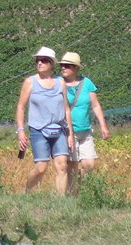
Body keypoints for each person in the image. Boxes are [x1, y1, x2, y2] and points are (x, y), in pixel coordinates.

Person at [15, 46, 74, 195]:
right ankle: (27, 191)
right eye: (38, 60)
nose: (40, 63)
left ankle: (61, 202)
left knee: (62, 166)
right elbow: (21, 107)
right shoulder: (30, 82)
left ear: (51, 64)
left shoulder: (60, 83)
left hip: (59, 129)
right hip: (38, 130)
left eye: (44, 60)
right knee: (41, 168)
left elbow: (66, 109)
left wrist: (70, 135)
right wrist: (21, 131)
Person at [59, 51, 109, 196]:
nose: (63, 68)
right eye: (62, 65)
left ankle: (75, 189)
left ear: (75, 68)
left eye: (67, 65)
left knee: (89, 164)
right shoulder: (59, 83)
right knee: (72, 165)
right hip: (68, 131)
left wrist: (103, 126)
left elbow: (95, 105)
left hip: (85, 130)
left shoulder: (87, 83)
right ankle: (73, 195)